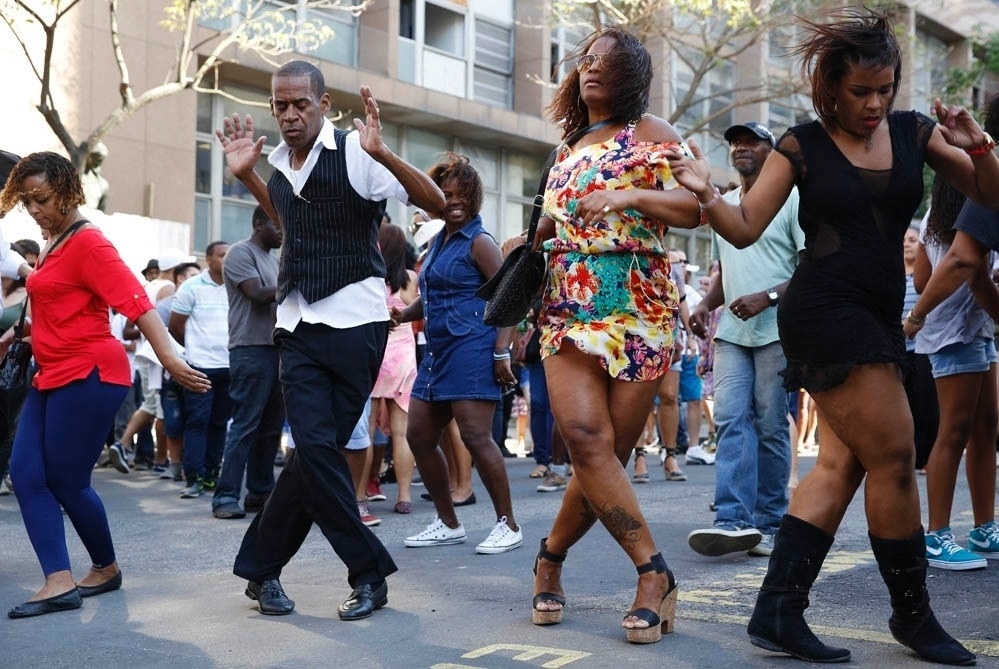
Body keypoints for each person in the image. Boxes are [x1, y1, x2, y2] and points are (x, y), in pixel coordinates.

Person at [665, 7, 999, 665]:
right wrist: (706, 192)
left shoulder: (914, 131)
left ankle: (777, 611)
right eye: (859, 92)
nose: (874, 104)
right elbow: (743, 228)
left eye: (884, 90)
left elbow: (988, 193)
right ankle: (912, 615)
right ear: (831, 88)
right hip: (822, 309)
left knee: (842, 463)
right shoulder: (800, 146)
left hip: (877, 310)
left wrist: (979, 144)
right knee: (896, 452)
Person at [216, 59, 445, 622]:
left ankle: (260, 568)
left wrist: (385, 154)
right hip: (296, 326)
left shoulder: (356, 154)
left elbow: (436, 202)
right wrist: (248, 176)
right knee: (316, 452)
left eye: (301, 104)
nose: (290, 115)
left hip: (357, 326)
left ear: (323, 104)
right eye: (281, 106)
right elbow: (290, 219)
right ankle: (368, 573)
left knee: (312, 460)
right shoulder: (277, 164)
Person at [505, 26, 701, 645]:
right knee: (587, 441)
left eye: (607, 63)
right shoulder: (565, 148)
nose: (591, 69)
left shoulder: (652, 133)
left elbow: (695, 208)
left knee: (607, 457)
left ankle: (550, 558)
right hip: (569, 302)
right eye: (586, 60)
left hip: (639, 302)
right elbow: (549, 226)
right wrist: (525, 243)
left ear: (631, 75)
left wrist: (628, 193)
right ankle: (653, 572)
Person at [0, 151, 209, 619]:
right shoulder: (53, 241)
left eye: (41, 199)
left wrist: (171, 359)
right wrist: (21, 336)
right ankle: (67, 578)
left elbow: (137, 303)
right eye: (26, 201)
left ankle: (100, 568)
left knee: (65, 479)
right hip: (52, 373)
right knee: (26, 471)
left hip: (91, 372)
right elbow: (61, 307)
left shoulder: (89, 242)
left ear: (67, 191)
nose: (33, 209)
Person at [392, 152, 522, 555]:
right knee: (418, 436)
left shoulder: (480, 242)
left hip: (472, 349)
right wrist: (401, 315)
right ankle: (448, 522)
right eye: (446, 194)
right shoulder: (438, 243)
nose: (454, 201)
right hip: (437, 354)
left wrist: (501, 351)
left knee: (476, 437)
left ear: (475, 198)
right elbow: (433, 296)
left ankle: (508, 524)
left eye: (462, 194)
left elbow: (510, 296)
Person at [686, 121, 802, 559]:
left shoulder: (792, 199)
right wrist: (705, 304)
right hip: (732, 334)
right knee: (730, 418)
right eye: (735, 142)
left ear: (773, 151)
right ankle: (732, 520)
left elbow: (810, 268)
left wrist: (766, 297)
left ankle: (770, 523)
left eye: (752, 141)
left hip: (778, 332)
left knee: (771, 426)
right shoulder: (725, 203)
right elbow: (726, 270)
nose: (741, 147)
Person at [212, 206, 285, 519]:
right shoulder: (241, 253)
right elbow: (256, 293)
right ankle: (225, 497)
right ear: (258, 224)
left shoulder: (273, 259)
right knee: (245, 426)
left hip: (276, 350)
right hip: (250, 349)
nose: (282, 231)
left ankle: (260, 493)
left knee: (270, 430)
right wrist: (297, 283)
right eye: (277, 225)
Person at [169, 240, 232, 498]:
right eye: (222, 255)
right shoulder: (191, 287)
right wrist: (195, 349)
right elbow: (175, 326)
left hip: (229, 366)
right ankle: (193, 478)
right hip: (199, 367)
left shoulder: (235, 285)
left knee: (219, 423)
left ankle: (211, 475)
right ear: (208, 259)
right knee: (197, 421)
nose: (227, 259)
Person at [368, 222, 418, 515]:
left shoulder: (369, 278)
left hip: (374, 356)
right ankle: (404, 496)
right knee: (401, 433)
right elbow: (417, 308)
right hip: (403, 360)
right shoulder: (410, 279)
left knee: (366, 430)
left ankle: (360, 494)